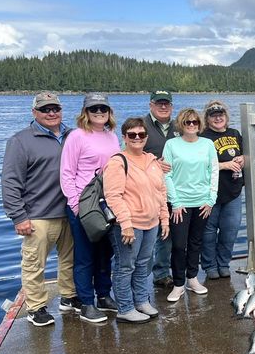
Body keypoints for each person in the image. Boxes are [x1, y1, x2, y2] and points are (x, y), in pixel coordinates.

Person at [1, 92, 78, 326]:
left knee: (70, 260)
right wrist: (18, 216)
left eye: (55, 108)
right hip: (37, 216)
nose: (51, 113)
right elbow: (10, 181)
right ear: (34, 112)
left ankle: (69, 297)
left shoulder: (73, 136)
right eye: (45, 109)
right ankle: (36, 307)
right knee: (34, 264)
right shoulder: (20, 140)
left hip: (70, 212)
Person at [60, 93, 120, 323]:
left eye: (103, 109)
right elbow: (66, 173)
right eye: (94, 109)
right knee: (85, 255)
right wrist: (75, 205)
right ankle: (86, 302)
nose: (99, 113)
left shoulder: (112, 136)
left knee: (106, 252)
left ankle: (104, 295)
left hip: (107, 202)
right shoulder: (76, 136)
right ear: (85, 112)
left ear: (109, 112)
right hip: (84, 204)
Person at [103, 117, 170, 323]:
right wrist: (126, 224)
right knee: (125, 267)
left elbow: (160, 190)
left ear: (146, 137)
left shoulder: (151, 160)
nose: (137, 138)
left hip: (151, 223)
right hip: (129, 226)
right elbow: (113, 196)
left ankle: (141, 301)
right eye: (132, 135)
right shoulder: (117, 162)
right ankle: (125, 307)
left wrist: (164, 218)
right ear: (124, 137)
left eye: (141, 134)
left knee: (143, 264)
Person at [162, 108, 218, 302]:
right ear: (182, 124)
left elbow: (214, 171)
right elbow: (166, 174)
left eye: (195, 122)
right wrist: (175, 202)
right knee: (178, 245)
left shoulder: (208, 144)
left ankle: (192, 278)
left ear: (199, 124)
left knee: (195, 243)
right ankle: (178, 284)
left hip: (202, 202)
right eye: (188, 122)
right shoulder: (171, 145)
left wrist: (211, 199)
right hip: (180, 204)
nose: (192, 125)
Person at [200, 101, 244, 279]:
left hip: (233, 192)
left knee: (230, 230)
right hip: (209, 193)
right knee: (208, 233)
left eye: (221, 114)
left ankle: (224, 263)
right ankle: (210, 266)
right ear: (207, 119)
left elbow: (246, 156)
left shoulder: (235, 134)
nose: (218, 118)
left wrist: (243, 159)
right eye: (213, 115)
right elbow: (199, 165)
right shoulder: (202, 136)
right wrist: (224, 165)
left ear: (226, 117)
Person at [142, 90, 177, 289]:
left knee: (167, 234)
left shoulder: (179, 126)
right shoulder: (140, 127)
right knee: (145, 236)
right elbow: (126, 156)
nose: (163, 107)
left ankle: (162, 273)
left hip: (174, 191)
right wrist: (154, 163)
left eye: (167, 103)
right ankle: (139, 278)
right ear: (151, 105)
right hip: (147, 191)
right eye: (159, 103)